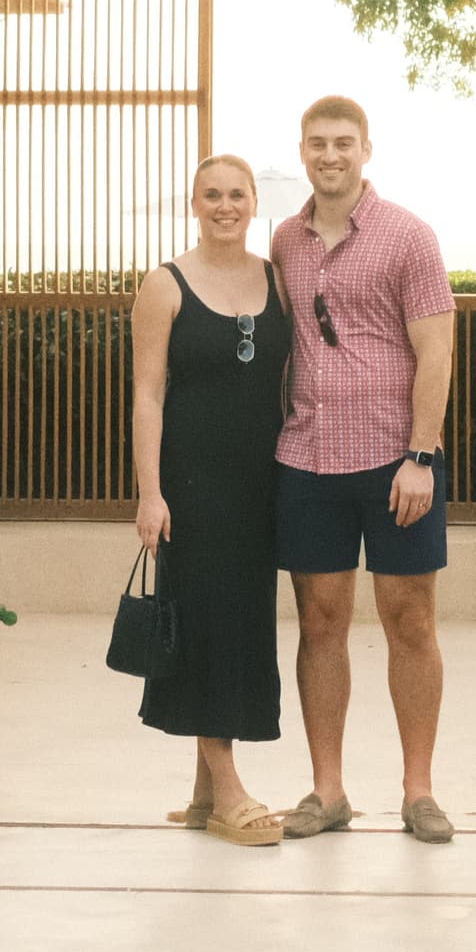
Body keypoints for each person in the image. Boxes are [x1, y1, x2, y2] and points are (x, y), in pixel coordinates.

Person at [269, 95, 458, 844]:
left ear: (366, 149)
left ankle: (418, 792)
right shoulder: (286, 240)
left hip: (395, 465)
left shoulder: (409, 237)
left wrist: (421, 455)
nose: (329, 155)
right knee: (320, 623)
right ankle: (328, 790)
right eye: (317, 143)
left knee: (409, 621)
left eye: (343, 143)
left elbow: (437, 352)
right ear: (304, 150)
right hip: (307, 458)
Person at [129, 153, 292, 845]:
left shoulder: (278, 281)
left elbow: (287, 386)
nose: (225, 205)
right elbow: (147, 393)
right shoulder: (163, 284)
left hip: (261, 483)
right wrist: (149, 493)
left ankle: (202, 795)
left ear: (254, 202)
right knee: (205, 622)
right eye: (211, 195)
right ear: (194, 204)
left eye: (236, 194)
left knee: (244, 622)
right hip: (190, 488)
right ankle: (229, 790)